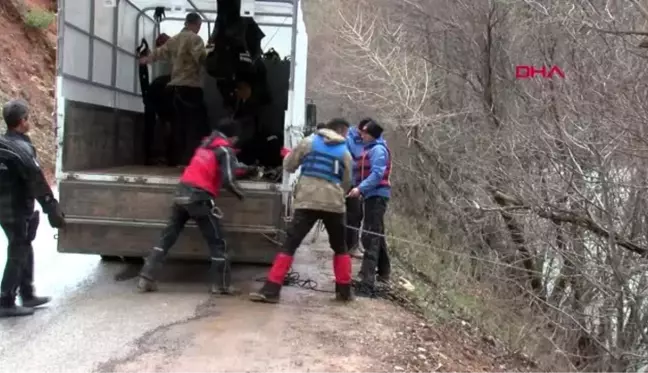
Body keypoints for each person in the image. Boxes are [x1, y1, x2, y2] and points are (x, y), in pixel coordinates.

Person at [137, 118, 256, 295]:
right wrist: (242, 195)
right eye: (236, 139)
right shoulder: (225, 150)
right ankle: (221, 285)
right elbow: (228, 180)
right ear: (232, 137)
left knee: (167, 237)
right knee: (217, 242)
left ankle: (146, 278)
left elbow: (217, 167)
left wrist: (245, 169)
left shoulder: (205, 145)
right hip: (199, 198)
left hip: (181, 193)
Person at [249, 118, 354, 303]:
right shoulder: (345, 152)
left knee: (291, 244)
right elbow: (347, 182)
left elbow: (289, 165)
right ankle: (344, 293)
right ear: (342, 131)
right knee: (340, 247)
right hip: (334, 204)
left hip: (307, 201)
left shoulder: (309, 142)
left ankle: (271, 290)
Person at [0, 99, 66, 317]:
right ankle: (5, 301)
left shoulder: (3, 144)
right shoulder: (22, 148)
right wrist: (52, 209)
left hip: (6, 208)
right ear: (22, 121)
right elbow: (36, 181)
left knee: (24, 245)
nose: (29, 121)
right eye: (28, 118)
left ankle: (27, 294)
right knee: (18, 249)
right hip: (16, 208)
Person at [139, 12, 209, 167]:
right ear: (196, 24)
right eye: (199, 26)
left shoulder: (174, 40)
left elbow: (158, 52)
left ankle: (176, 161)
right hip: (191, 88)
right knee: (195, 126)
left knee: (178, 126)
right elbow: (203, 59)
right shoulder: (195, 39)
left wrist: (146, 60)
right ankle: (191, 162)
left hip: (174, 89)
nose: (199, 29)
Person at [347, 120, 392, 297]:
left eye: (364, 133)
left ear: (372, 135)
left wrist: (360, 189)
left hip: (377, 196)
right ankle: (384, 272)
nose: (361, 135)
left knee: (370, 236)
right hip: (371, 195)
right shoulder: (370, 149)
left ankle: (367, 281)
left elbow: (377, 174)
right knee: (377, 233)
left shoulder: (378, 151)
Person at [345, 118, 371, 259]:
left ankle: (353, 245)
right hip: (349, 182)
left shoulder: (370, 141)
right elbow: (347, 160)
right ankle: (347, 246)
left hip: (362, 183)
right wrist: (361, 164)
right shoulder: (349, 139)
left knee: (358, 215)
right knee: (351, 214)